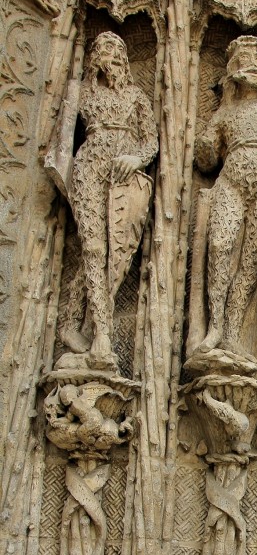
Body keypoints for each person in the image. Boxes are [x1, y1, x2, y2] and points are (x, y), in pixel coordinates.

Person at [192, 35, 257, 365]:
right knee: (220, 245)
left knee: (250, 262)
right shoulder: (225, 113)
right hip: (231, 182)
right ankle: (215, 327)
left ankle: (234, 332)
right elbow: (207, 160)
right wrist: (203, 147)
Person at [65, 31, 158, 371]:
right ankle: (101, 335)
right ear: (93, 57)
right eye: (104, 48)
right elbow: (60, 133)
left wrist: (137, 159)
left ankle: (75, 323)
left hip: (125, 175)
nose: (113, 55)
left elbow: (151, 141)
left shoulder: (136, 97)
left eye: (119, 49)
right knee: (92, 248)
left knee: (116, 252)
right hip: (89, 166)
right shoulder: (83, 93)